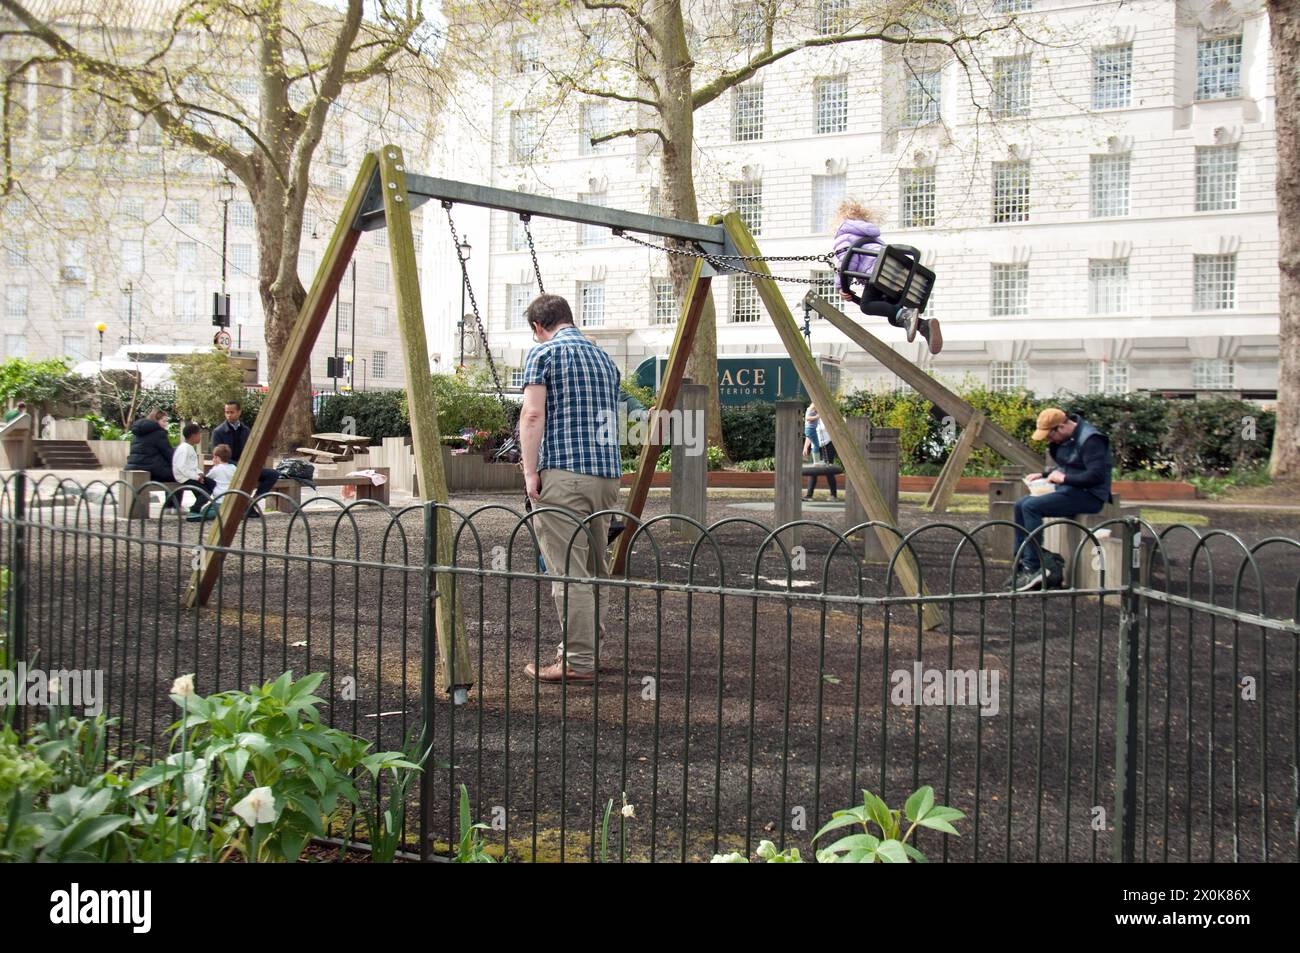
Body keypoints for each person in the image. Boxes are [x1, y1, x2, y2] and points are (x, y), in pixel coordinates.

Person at [519, 293, 622, 684]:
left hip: (564, 474)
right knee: (596, 569)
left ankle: (576, 661)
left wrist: (531, 473)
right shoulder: (604, 359)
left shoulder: (543, 355)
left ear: (538, 327)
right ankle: (589, 652)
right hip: (606, 476)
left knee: (569, 571)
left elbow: (532, 414)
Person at [1011, 407, 1114, 592]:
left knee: (1031, 507)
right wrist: (1044, 475)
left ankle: (1033, 566)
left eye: (1049, 436)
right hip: (1070, 490)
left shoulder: (1092, 440)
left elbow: (1096, 476)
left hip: (1090, 496)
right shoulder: (1067, 439)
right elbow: (1069, 467)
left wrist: (1064, 479)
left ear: (1061, 427)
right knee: (1020, 504)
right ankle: (1021, 562)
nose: (1049, 441)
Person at [833, 199, 943, 355]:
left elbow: (846, 261)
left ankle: (908, 315)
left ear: (841, 219)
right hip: (893, 274)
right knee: (893, 315)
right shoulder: (873, 238)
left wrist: (841, 286)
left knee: (867, 306)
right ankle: (924, 326)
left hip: (877, 273)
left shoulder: (843, 236)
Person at [209, 399, 280, 505]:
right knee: (244, 476)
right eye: (227, 412)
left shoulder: (246, 430)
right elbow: (218, 456)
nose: (228, 415)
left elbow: (253, 449)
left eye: (231, 412)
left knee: (273, 474)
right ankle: (242, 504)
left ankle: (253, 501)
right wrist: (239, 465)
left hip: (246, 466)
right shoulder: (218, 432)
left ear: (239, 412)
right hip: (229, 467)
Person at [172, 423, 215, 515]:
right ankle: (194, 510)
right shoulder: (184, 449)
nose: (200, 437)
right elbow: (181, 467)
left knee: (211, 484)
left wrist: (200, 473)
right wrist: (196, 477)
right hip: (184, 478)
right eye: (199, 434)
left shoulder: (189, 448)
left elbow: (192, 466)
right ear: (193, 436)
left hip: (191, 475)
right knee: (204, 493)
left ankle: (201, 506)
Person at [804, 415, 838, 500]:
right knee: (813, 471)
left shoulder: (827, 416)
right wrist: (805, 447)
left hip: (827, 445)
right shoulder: (811, 418)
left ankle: (833, 495)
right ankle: (809, 495)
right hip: (815, 447)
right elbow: (809, 434)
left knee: (828, 470)